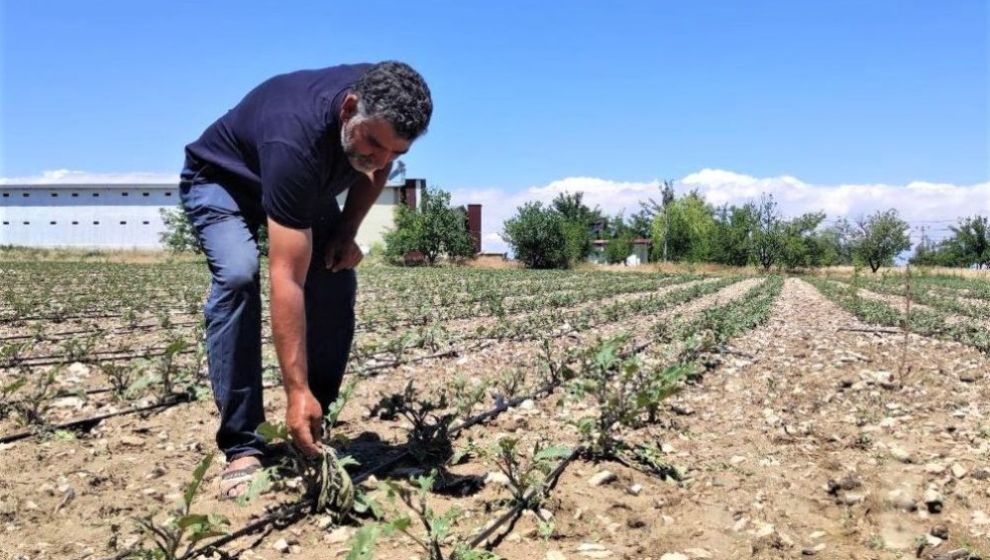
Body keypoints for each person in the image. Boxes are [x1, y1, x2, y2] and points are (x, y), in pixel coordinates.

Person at [178, 61, 432, 498]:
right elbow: (287, 279)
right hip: (223, 180)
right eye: (374, 143)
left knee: (336, 275)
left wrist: (346, 232)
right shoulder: (294, 134)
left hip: (299, 186)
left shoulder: (382, 116)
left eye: (397, 153)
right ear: (349, 108)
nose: (382, 161)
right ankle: (243, 443)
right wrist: (293, 388)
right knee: (239, 275)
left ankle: (314, 421)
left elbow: (376, 172)